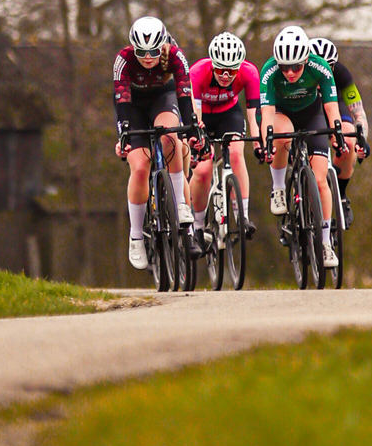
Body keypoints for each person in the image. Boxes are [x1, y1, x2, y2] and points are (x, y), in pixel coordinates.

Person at [112, 14, 194, 272]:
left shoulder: (175, 55)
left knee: (171, 137)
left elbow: (184, 93)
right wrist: (124, 133)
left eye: (153, 52)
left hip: (162, 97)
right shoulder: (123, 60)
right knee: (140, 166)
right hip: (133, 105)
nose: (147, 57)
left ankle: (180, 203)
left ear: (164, 46)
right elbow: (121, 100)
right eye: (141, 52)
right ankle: (136, 236)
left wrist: (191, 126)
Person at [258, 22, 341, 270]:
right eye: (285, 67)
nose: (291, 73)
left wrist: (337, 134)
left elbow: (331, 107)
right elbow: (267, 114)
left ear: (306, 60)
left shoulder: (320, 67)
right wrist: (267, 143)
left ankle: (326, 243)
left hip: (312, 113)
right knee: (281, 135)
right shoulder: (269, 71)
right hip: (281, 114)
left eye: (296, 67)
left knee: (320, 180)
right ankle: (279, 187)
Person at [186, 30, 261, 230]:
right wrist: (199, 141)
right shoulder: (197, 72)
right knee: (203, 170)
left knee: (236, 154)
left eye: (232, 70)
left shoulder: (250, 72)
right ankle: (198, 224)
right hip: (203, 116)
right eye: (220, 70)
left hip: (229, 114)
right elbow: (196, 115)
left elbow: (254, 113)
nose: (226, 76)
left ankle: (242, 216)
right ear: (212, 65)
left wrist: (257, 142)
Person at [307, 36, 370, 216]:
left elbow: (359, 112)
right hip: (309, 108)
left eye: (329, 67)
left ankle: (341, 193)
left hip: (335, 105)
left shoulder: (342, 73)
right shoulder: (298, 75)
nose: (323, 72)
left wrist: (362, 140)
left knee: (349, 142)